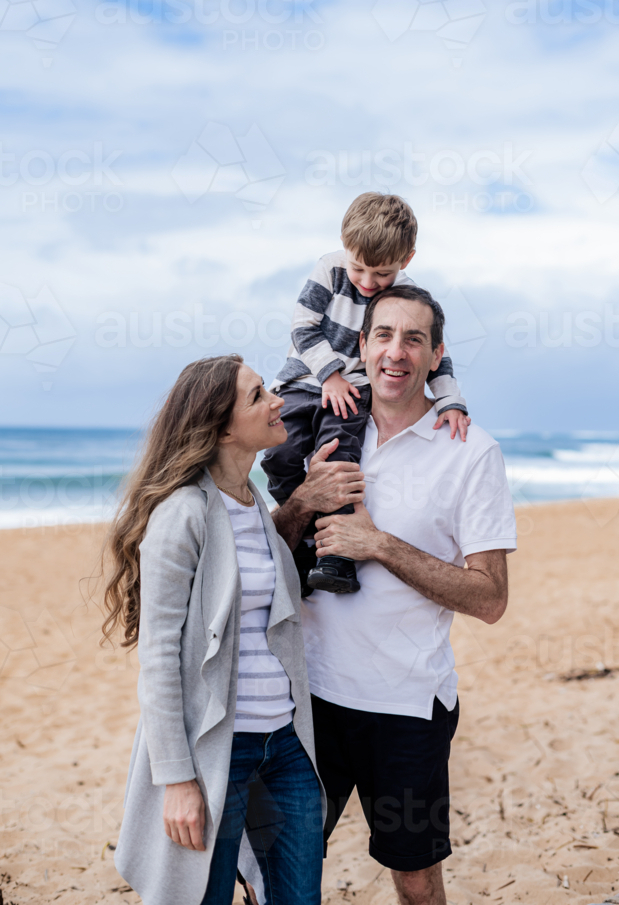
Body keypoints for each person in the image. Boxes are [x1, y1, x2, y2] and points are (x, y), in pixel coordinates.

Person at [273, 286, 517, 905]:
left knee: (414, 876)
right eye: (383, 335)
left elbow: (489, 597)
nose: (395, 352)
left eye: (414, 339)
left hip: (406, 706)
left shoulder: (472, 453)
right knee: (277, 866)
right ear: (361, 345)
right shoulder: (317, 432)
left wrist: (379, 545)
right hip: (305, 703)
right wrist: (302, 501)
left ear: (437, 355)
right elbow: (262, 558)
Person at [102, 355, 325, 905]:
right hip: (218, 750)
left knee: (298, 897)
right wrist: (175, 780)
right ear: (223, 428)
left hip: (286, 745)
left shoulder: (254, 503)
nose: (278, 401)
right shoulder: (183, 514)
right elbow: (158, 657)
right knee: (204, 895)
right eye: (257, 397)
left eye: (268, 390)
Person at [261, 192, 470, 596]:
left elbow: (433, 355)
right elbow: (303, 327)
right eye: (360, 268)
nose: (369, 283)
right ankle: (302, 542)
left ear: (406, 260)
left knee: (340, 458)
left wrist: (450, 401)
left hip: (354, 391)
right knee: (281, 457)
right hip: (307, 381)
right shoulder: (330, 269)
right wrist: (330, 375)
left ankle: (335, 559)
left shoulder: (406, 297)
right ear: (345, 247)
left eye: (383, 273)